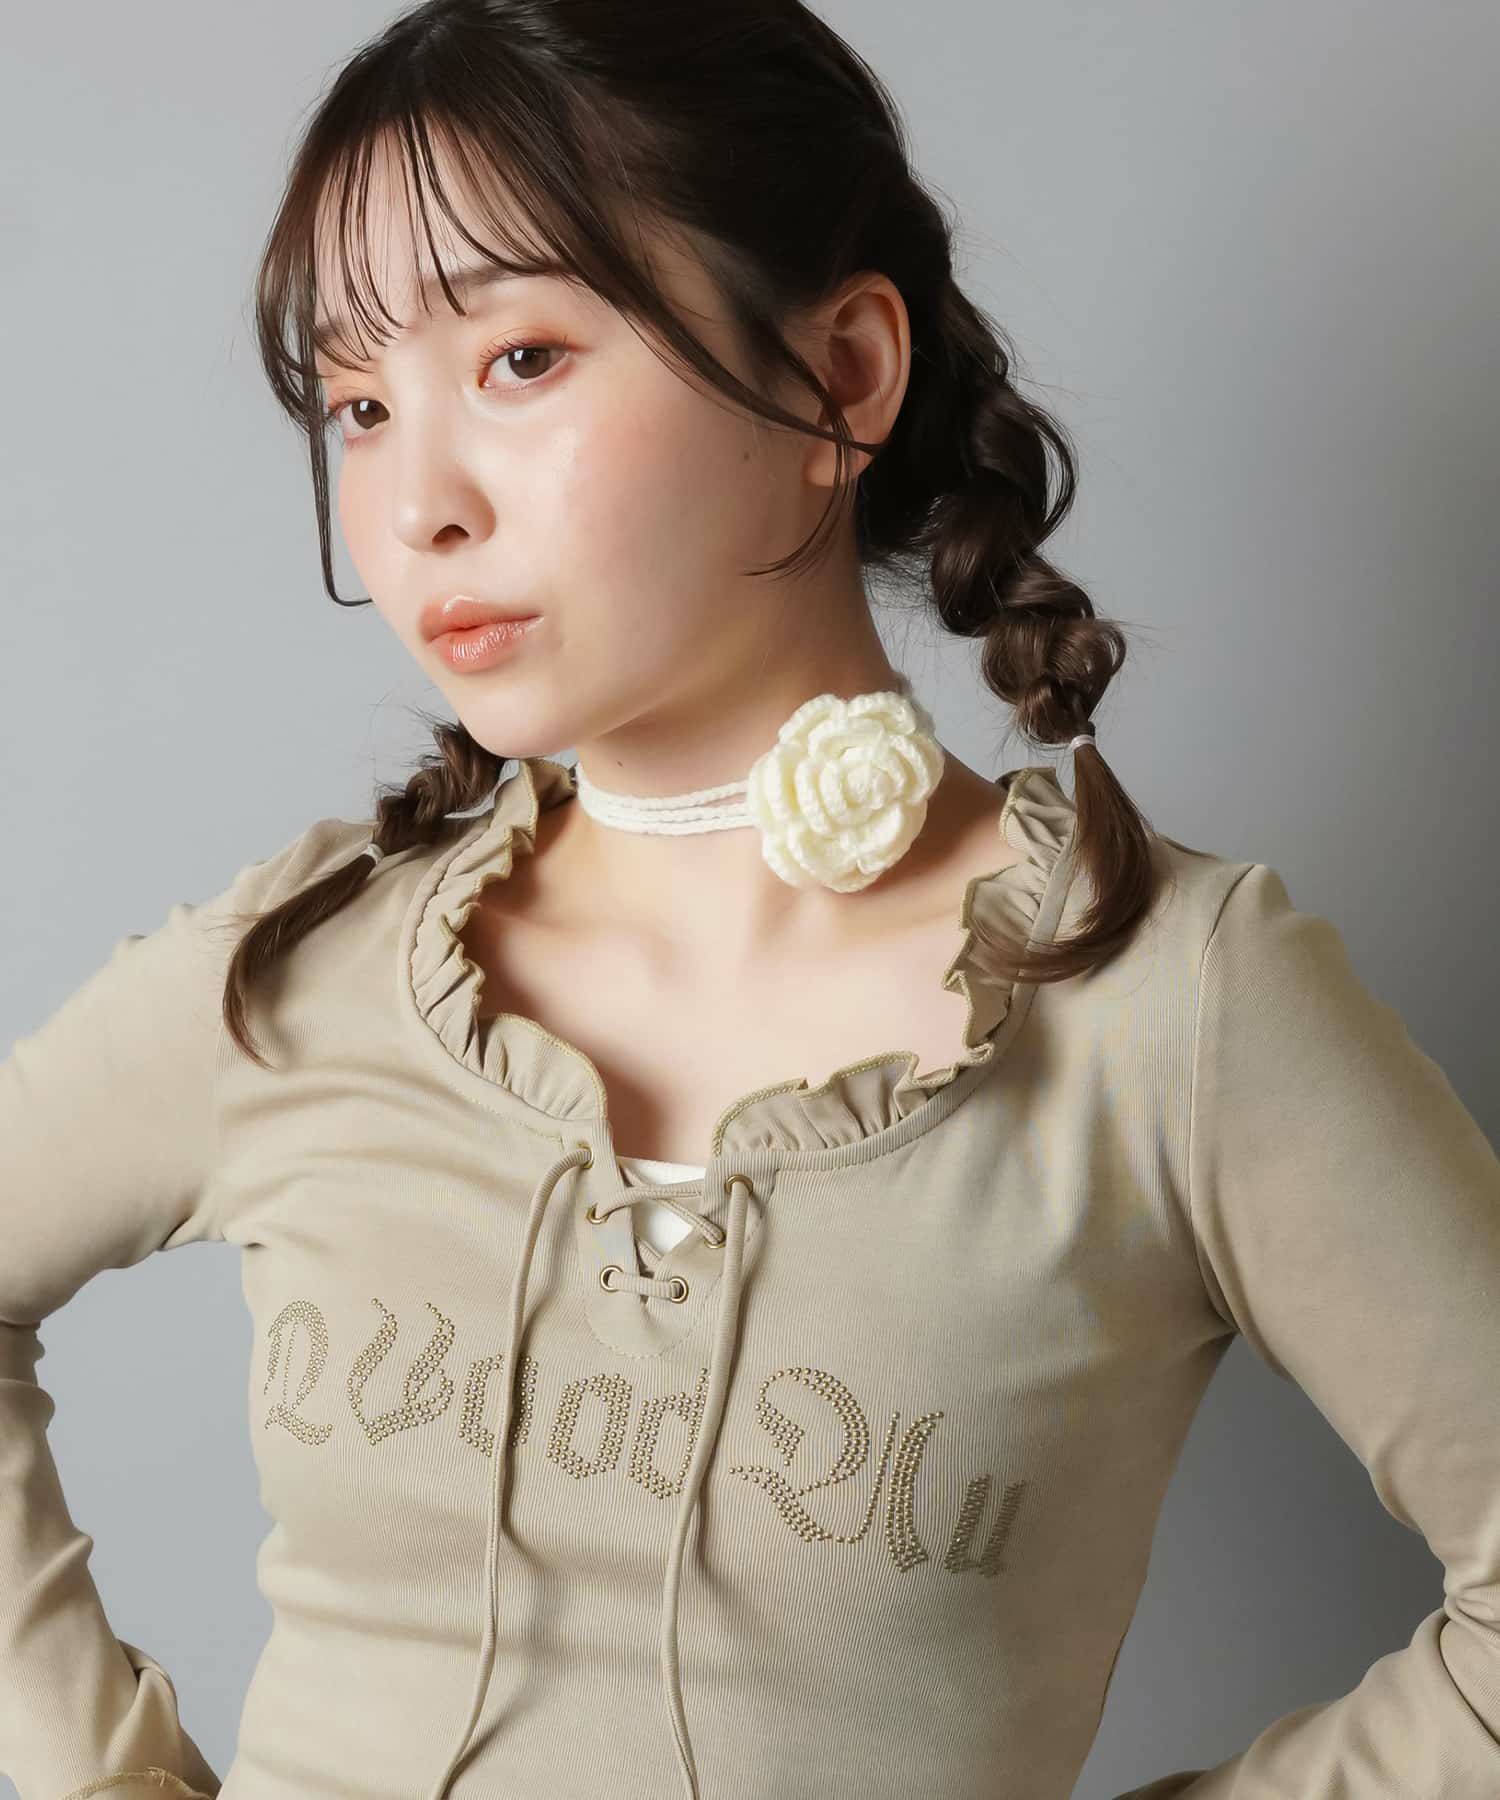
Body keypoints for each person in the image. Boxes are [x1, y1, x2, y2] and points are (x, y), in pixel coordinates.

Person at [4, 2, 1498, 1797]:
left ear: (844, 376)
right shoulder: (305, 974)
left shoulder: (1164, 1007)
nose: (417, 505)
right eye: (362, 407)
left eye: (523, 358)